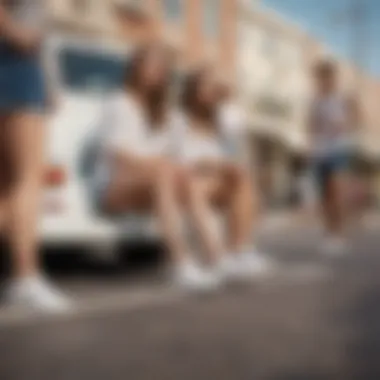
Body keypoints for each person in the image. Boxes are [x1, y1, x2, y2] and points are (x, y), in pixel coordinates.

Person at [89, 44, 224, 292]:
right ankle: (180, 264)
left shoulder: (163, 114)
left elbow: (177, 154)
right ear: (135, 69)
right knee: (165, 172)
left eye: (162, 68)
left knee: (190, 180)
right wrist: (163, 166)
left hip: (151, 184)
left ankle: (216, 259)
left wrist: (189, 168)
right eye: (151, 65)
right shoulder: (118, 103)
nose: (158, 71)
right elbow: (118, 156)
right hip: (113, 185)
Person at [0, 0, 71, 311]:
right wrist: (17, 33)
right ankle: (25, 278)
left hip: (18, 67)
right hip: (16, 66)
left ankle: (24, 278)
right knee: (27, 183)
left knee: (7, 189)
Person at [175, 65, 273, 281]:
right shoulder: (179, 121)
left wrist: (229, 99)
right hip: (186, 183)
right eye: (207, 86)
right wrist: (210, 163)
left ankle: (241, 250)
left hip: (212, 183)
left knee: (242, 175)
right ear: (193, 91)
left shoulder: (223, 120)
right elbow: (179, 161)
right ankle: (218, 258)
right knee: (196, 183)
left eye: (215, 87)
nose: (212, 91)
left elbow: (236, 152)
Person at [308, 60, 360, 255]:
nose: (323, 82)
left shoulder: (342, 99)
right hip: (320, 152)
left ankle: (339, 234)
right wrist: (311, 147)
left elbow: (355, 120)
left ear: (333, 78)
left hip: (338, 150)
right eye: (320, 78)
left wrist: (345, 124)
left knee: (336, 192)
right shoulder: (316, 101)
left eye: (326, 77)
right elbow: (311, 126)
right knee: (325, 196)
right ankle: (329, 233)